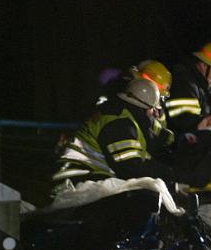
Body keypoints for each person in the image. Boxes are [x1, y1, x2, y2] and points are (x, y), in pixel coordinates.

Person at [51, 78, 179, 194]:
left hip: (82, 178)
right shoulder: (120, 123)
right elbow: (131, 166)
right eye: (153, 109)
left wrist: (178, 143)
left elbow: (156, 135)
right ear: (144, 107)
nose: (156, 114)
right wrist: (173, 176)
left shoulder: (125, 115)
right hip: (75, 181)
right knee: (141, 198)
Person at [165, 42, 211, 135]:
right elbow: (182, 120)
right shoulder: (184, 83)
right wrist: (207, 121)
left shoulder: (205, 87)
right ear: (204, 64)